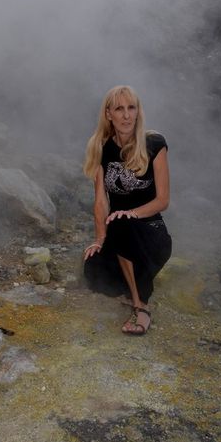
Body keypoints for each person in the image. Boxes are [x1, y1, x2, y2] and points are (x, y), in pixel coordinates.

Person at [82, 85, 172, 335]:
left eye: (131, 108)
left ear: (138, 111)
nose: (126, 115)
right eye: (119, 109)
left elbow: (163, 200)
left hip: (151, 233)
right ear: (108, 114)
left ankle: (141, 307)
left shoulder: (155, 143)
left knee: (120, 223)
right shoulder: (102, 148)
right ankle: (134, 279)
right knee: (92, 269)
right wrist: (100, 240)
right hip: (119, 232)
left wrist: (131, 214)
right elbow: (100, 201)